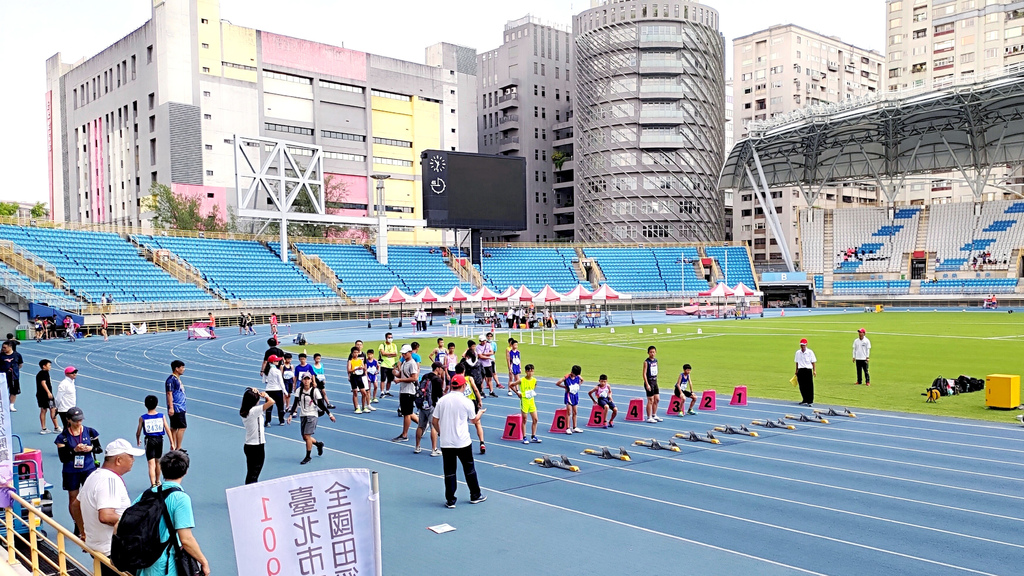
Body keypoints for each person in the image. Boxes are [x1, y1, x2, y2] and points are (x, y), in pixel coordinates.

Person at [133, 450, 211, 576]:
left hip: (144, 562)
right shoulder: (181, 499)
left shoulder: (147, 493)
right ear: (185, 471)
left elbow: (122, 522)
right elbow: (186, 539)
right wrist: (203, 561)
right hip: (165, 566)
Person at [79, 438, 146, 571]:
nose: (133, 460)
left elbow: (76, 504)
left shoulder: (94, 475)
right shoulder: (110, 480)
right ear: (119, 460)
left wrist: (84, 532)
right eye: (130, 457)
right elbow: (105, 516)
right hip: (112, 550)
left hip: (98, 547)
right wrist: (135, 522)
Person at [431, 374, 487, 509]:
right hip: (462, 441)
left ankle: (450, 499)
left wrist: (441, 432)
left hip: (446, 442)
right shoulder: (466, 401)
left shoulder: (442, 401)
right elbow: (473, 420)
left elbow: (434, 421)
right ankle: (475, 494)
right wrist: (481, 413)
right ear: (463, 386)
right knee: (469, 469)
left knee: (449, 471)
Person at [54, 407, 101, 539]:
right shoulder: (62, 438)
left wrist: (90, 448)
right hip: (71, 471)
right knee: (73, 498)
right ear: (68, 420)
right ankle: (77, 523)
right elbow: (63, 458)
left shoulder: (90, 432)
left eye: (80, 419)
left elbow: (98, 449)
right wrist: (74, 450)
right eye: (75, 420)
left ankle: (91, 523)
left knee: (91, 496)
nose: (79, 422)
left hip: (88, 468)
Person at [288, 373, 335, 465]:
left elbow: (321, 404)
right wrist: (290, 414)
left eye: (308, 379)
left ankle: (308, 456)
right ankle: (318, 444)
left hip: (312, 414)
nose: (306, 381)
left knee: (307, 435)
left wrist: (330, 414)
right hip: (303, 414)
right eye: (304, 379)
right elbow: (295, 403)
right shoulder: (299, 390)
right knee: (305, 437)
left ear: (311, 380)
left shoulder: (315, 391)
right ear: (302, 380)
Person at [135, 395, 175, 487]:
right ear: (156, 404)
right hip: (159, 440)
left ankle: (153, 484)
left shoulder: (143, 418)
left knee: (151, 464)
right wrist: (172, 442)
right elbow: (168, 429)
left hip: (149, 440)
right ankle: (157, 481)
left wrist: (138, 440)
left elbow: (138, 432)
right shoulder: (161, 416)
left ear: (145, 405)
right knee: (158, 462)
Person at [240, 387, 275, 484]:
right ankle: (250, 493)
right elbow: (271, 402)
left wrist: (253, 391)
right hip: (256, 447)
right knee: (254, 474)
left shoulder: (247, 410)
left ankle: (248, 491)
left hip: (250, 445)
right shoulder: (254, 411)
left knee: (251, 473)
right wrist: (266, 395)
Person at [414, 362, 445, 456]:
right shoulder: (437, 380)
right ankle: (434, 449)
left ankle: (417, 447)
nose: (442, 370)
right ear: (437, 368)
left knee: (420, 425)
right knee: (434, 427)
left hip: (423, 404)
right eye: (441, 368)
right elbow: (440, 395)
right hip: (432, 405)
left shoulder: (425, 376)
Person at [391, 345, 421, 442]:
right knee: (406, 412)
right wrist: (396, 374)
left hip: (409, 391)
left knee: (407, 414)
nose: (403, 355)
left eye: (405, 353)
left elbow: (414, 377)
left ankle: (405, 434)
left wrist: (400, 379)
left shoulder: (412, 363)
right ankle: (421, 425)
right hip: (404, 390)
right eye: (403, 353)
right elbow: (402, 374)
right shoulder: (405, 362)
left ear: (410, 352)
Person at [509, 363, 542, 444]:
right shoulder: (522, 380)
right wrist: (518, 393)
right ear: (526, 371)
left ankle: (533, 436)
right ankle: (524, 437)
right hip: (524, 401)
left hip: (531, 401)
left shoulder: (534, 380)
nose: (531, 373)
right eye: (529, 371)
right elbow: (511, 385)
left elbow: (534, 386)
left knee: (535, 419)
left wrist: (532, 392)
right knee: (524, 420)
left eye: (532, 371)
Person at [165, 360, 188, 449]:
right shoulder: (171, 380)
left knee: (174, 427)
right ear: (176, 369)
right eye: (182, 367)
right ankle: (178, 447)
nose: (183, 369)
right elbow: (169, 393)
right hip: (177, 407)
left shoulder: (176, 379)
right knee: (182, 427)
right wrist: (171, 407)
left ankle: (173, 446)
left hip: (179, 406)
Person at [555, 365, 585, 434]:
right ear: (572, 372)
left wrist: (578, 385)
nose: (576, 375)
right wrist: (564, 387)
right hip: (569, 395)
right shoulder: (566, 377)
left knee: (575, 412)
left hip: (575, 395)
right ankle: (567, 428)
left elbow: (582, 380)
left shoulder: (578, 376)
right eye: (575, 374)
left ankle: (575, 427)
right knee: (569, 412)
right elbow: (557, 383)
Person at [36, 359, 60, 434]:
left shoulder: (40, 373)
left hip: (40, 395)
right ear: (44, 366)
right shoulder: (44, 373)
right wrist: (49, 392)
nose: (50, 367)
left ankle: (43, 428)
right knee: (52, 409)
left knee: (43, 410)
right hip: (46, 395)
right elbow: (43, 383)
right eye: (49, 365)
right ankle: (56, 427)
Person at [264, 355, 288, 426]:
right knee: (280, 407)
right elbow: (281, 382)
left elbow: (264, 380)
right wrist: (285, 391)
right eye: (276, 361)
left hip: (268, 390)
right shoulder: (277, 371)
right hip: (277, 390)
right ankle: (281, 420)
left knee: (268, 407)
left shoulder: (266, 370)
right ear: (273, 362)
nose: (278, 362)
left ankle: (268, 421)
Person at [0, 341, 22, 411]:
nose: (3, 349)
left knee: (14, 391)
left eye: (5, 347)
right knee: (1, 391)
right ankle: (1, 405)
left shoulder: (17, 355)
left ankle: (11, 405)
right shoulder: (1, 356)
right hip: (3, 377)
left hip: (14, 376)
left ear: (10, 347)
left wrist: (15, 370)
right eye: (2, 347)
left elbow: (20, 364)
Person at [795, 338, 817, 407]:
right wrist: (796, 371)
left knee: (809, 386)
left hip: (807, 369)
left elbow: (813, 362)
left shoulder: (810, 352)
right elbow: (797, 362)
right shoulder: (798, 352)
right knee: (802, 386)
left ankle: (810, 400)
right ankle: (804, 399)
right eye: (801, 345)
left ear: (806, 345)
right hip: (801, 370)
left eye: (803, 345)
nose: (802, 346)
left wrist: (814, 370)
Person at [347, 346, 370, 414]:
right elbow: (349, 370)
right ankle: (356, 407)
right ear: (352, 353)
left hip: (360, 377)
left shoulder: (360, 360)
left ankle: (363, 406)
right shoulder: (350, 361)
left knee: (364, 392)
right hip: (353, 377)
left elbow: (364, 367)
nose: (356, 354)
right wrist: (356, 369)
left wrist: (363, 368)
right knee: (355, 392)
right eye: (354, 352)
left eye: (357, 352)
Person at [642, 346, 662, 423]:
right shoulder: (646, 362)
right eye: (651, 352)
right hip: (649, 381)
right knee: (650, 400)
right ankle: (649, 417)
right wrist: (647, 384)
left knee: (657, 399)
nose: (652, 354)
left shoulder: (655, 361)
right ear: (648, 353)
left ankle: (654, 414)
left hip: (655, 381)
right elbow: (644, 374)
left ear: (655, 352)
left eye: (653, 352)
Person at [378, 333, 398, 397]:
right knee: (383, 379)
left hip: (391, 365)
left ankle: (387, 391)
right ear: (386, 338)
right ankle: (382, 392)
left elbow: (395, 354)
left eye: (391, 337)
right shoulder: (382, 345)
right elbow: (383, 353)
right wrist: (391, 354)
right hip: (384, 364)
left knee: (390, 379)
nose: (390, 339)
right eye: (389, 337)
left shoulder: (394, 345)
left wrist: (387, 354)